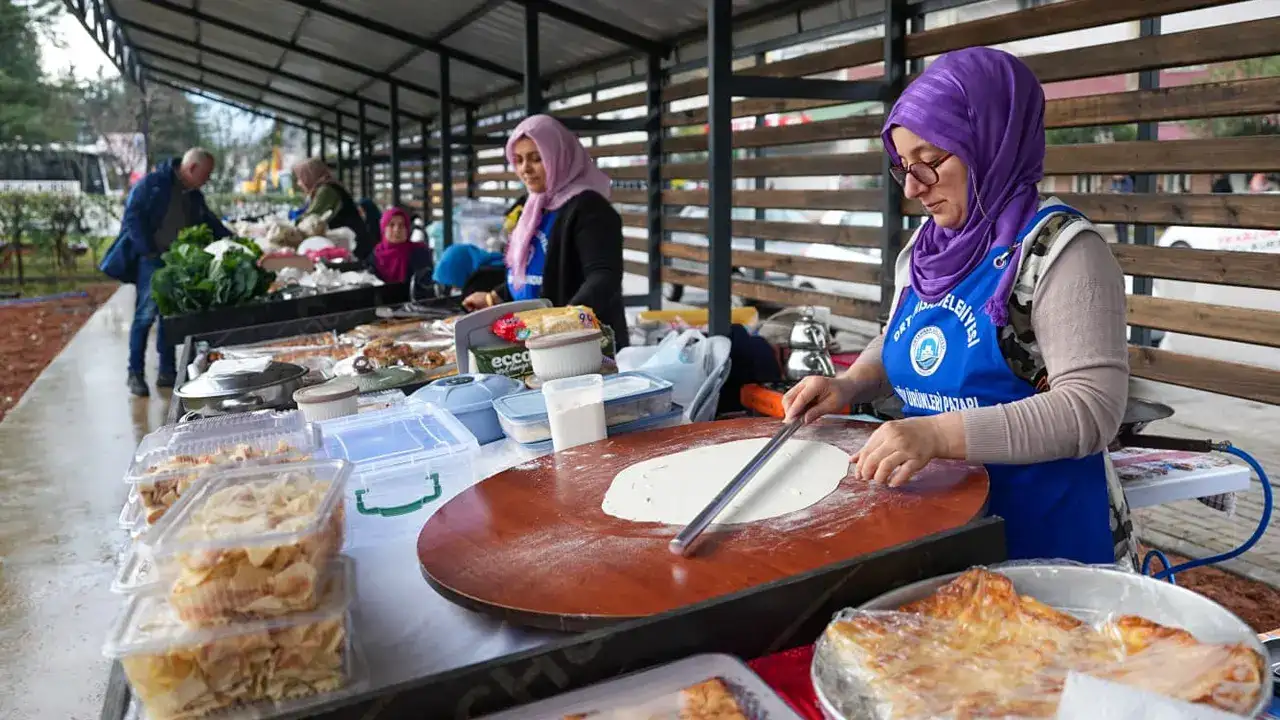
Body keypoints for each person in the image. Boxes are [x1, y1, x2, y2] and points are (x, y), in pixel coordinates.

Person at [782, 48, 1136, 567]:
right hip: (942, 528)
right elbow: (908, 338)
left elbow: (1090, 411)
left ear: (992, 138)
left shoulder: (1060, 251)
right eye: (903, 167)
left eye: (931, 161)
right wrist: (850, 384)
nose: (913, 186)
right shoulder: (928, 247)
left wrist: (934, 434)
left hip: (1046, 539)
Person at [462, 115, 628, 348]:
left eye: (536, 158)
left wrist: (563, 323)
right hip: (533, 339)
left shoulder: (590, 208)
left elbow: (603, 277)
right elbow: (533, 273)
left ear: (559, 157)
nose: (525, 169)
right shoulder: (531, 206)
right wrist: (494, 297)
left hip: (583, 346)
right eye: (518, 160)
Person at [100, 148, 230, 397]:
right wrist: (148, 252)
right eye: (206, 174)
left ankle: (167, 372)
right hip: (152, 260)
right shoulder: (153, 184)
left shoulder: (192, 194)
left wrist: (234, 241)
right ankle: (135, 373)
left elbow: (210, 222)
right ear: (192, 168)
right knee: (145, 316)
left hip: (177, 261)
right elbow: (132, 218)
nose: (208, 179)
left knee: (170, 317)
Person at [292, 158, 375, 259]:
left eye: (300, 178)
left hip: (354, 246)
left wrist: (292, 225)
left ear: (309, 176)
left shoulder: (326, 190)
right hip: (351, 244)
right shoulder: (323, 188)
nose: (299, 183)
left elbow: (311, 218)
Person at [372, 207, 433, 284]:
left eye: (401, 225)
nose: (397, 229)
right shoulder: (375, 256)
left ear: (407, 229)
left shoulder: (420, 252)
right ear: (383, 229)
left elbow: (427, 285)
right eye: (391, 225)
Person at [433, 243, 506, 298]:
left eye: (452, 282)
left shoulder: (482, 279)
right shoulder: (496, 264)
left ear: (458, 272)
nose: (453, 287)